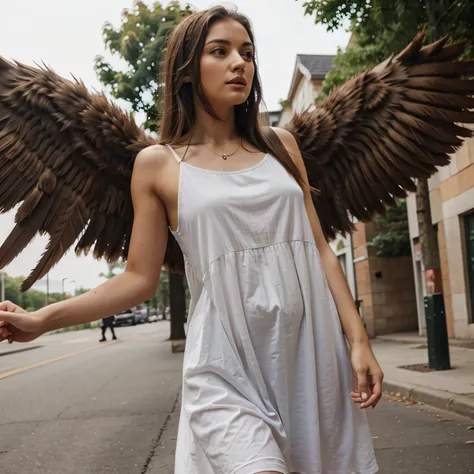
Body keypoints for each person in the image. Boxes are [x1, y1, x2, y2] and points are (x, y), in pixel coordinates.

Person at [0, 6, 383, 473]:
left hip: (309, 351)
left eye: (247, 52)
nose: (239, 63)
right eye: (219, 52)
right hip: (224, 359)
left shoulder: (282, 145)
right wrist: (44, 318)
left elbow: (320, 249)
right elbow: (139, 279)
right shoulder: (158, 165)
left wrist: (358, 340)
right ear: (186, 69)